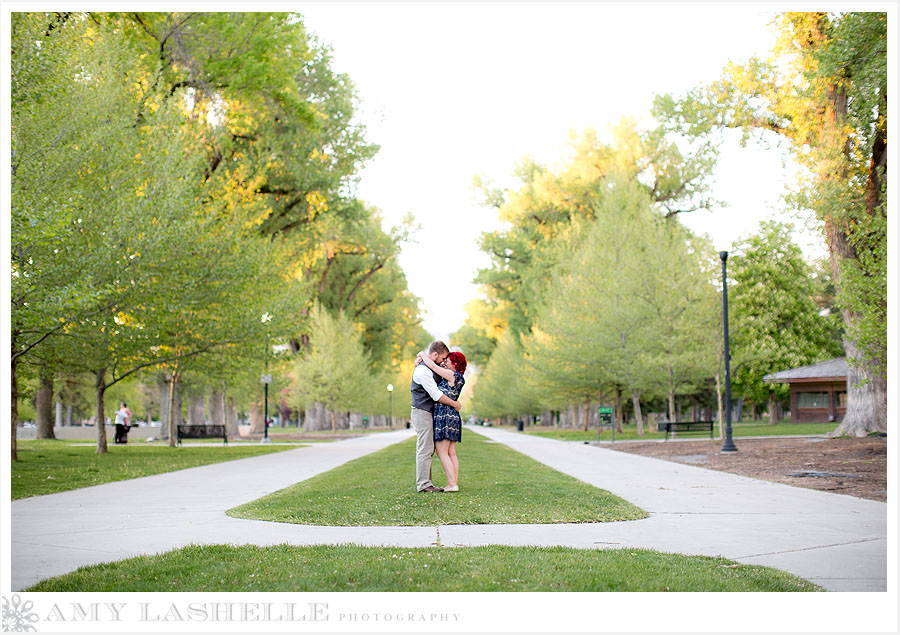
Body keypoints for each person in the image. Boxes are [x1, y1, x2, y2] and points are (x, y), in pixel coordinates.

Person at [410, 341, 462, 492]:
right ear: (434, 355)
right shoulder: (423, 371)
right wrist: (454, 403)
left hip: (429, 412)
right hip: (422, 412)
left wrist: (421, 354)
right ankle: (424, 485)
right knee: (425, 449)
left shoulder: (432, 368)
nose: (444, 362)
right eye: (443, 358)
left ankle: (428, 483)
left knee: (428, 449)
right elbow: (436, 395)